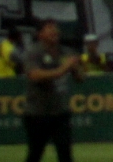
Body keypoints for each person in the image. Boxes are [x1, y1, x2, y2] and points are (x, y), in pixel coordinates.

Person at [23, 20, 83, 162]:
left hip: (60, 112)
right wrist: (63, 69)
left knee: (65, 154)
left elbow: (81, 78)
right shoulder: (34, 52)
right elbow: (34, 75)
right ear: (40, 34)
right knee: (35, 153)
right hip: (37, 113)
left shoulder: (66, 52)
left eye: (56, 28)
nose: (54, 31)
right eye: (49, 28)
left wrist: (75, 67)